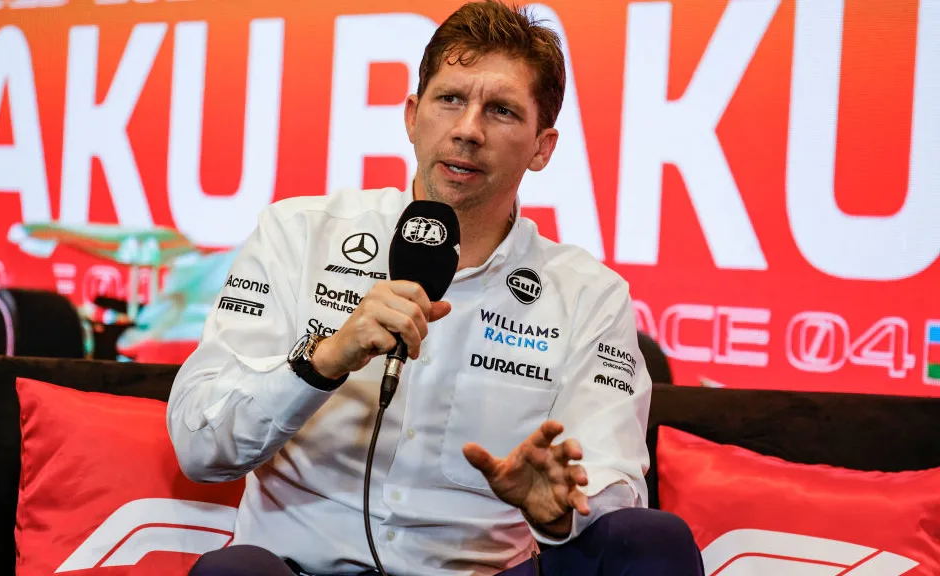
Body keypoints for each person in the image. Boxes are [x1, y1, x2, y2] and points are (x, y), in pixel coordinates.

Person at [168, 1, 704, 574]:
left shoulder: (588, 294)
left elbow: (611, 476)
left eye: (500, 111)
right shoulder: (298, 234)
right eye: (450, 99)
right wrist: (321, 362)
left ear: (543, 148)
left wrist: (557, 514)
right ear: (411, 115)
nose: (468, 130)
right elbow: (200, 448)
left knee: (653, 540)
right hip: (299, 567)